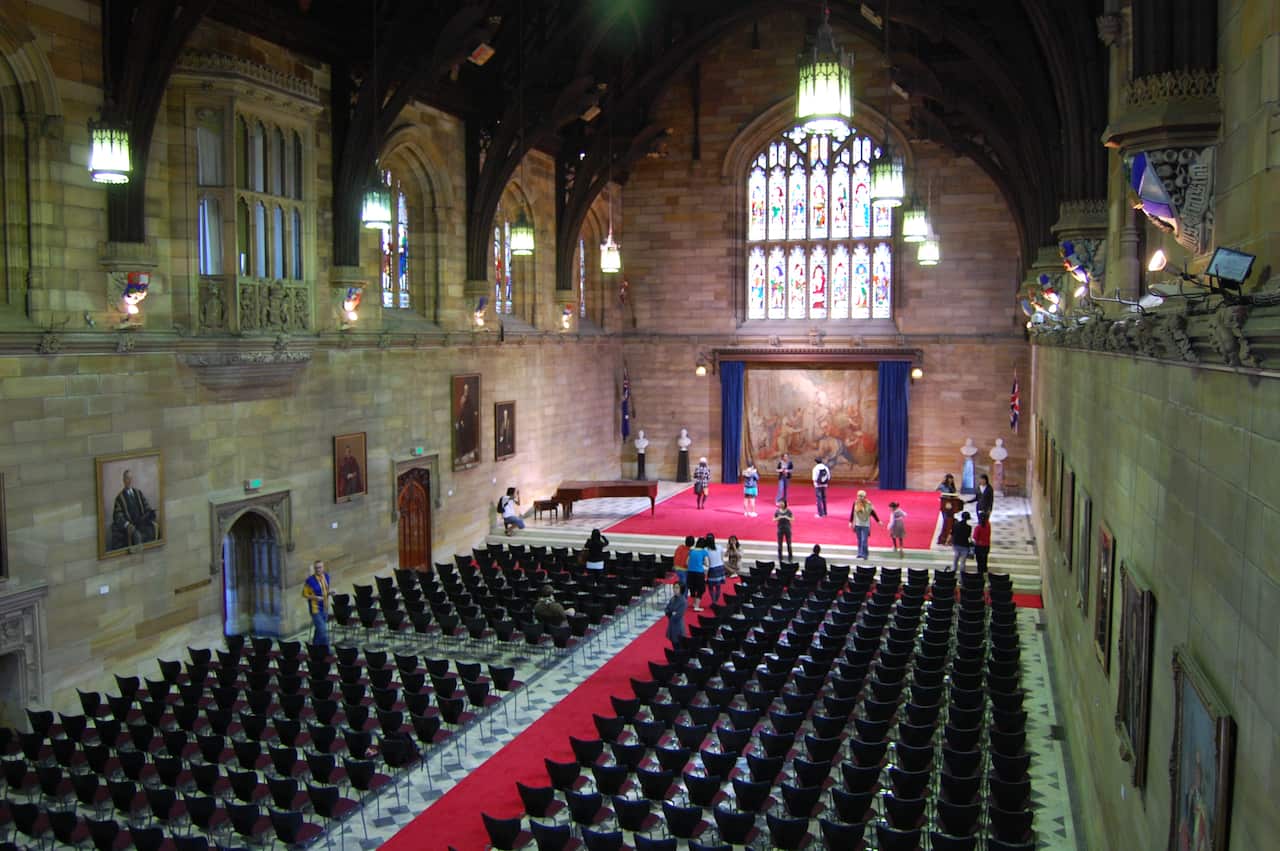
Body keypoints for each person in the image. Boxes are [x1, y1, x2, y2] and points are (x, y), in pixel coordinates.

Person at [109, 468, 159, 551]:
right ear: (124, 480)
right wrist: (127, 525)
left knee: (152, 529)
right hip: (131, 527)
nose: (129, 481)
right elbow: (118, 516)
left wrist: (150, 513)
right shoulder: (119, 498)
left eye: (131, 478)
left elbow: (146, 507)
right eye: (127, 478)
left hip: (142, 524)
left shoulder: (138, 493)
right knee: (137, 536)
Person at [302, 560, 332, 647]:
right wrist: (315, 597)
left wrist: (330, 592)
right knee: (323, 631)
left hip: (325, 607)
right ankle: (327, 649)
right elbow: (304, 594)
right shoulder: (310, 581)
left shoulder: (326, 576)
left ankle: (314, 647)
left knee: (319, 630)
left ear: (323, 568)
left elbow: (325, 591)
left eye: (320, 567)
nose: (318, 569)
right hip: (315, 609)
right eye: (316, 568)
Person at [849, 489, 881, 560]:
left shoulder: (868, 504)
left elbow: (872, 513)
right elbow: (852, 512)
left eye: (861, 496)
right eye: (858, 496)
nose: (860, 497)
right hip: (857, 524)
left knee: (864, 540)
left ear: (864, 497)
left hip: (865, 524)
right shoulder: (855, 503)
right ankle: (860, 553)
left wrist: (878, 521)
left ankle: (865, 554)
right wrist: (850, 522)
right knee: (859, 539)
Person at [685, 536, 708, 612]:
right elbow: (707, 563)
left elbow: (686, 562)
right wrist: (701, 563)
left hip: (690, 572)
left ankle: (694, 603)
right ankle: (697, 606)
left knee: (692, 588)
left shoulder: (691, 551)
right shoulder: (704, 552)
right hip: (699, 572)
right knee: (701, 589)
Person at [705, 533, 726, 606]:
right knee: (718, 586)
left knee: (710, 587)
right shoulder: (719, 547)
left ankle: (713, 601)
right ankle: (716, 601)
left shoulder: (706, 550)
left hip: (712, 568)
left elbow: (707, 562)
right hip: (720, 567)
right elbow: (722, 558)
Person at [664, 585, 687, 650]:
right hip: (671, 624)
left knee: (678, 644)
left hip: (678, 626)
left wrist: (671, 613)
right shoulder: (673, 598)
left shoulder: (683, 601)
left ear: (681, 589)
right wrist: (671, 613)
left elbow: (678, 615)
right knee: (673, 643)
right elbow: (667, 609)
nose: (674, 589)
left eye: (677, 588)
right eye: (674, 587)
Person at [773, 499, 794, 563]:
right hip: (780, 529)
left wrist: (786, 517)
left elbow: (792, 519)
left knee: (789, 544)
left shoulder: (789, 511)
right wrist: (778, 518)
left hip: (787, 529)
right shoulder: (777, 511)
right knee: (780, 544)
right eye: (780, 503)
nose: (781, 504)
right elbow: (774, 519)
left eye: (782, 503)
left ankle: (790, 556)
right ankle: (780, 557)